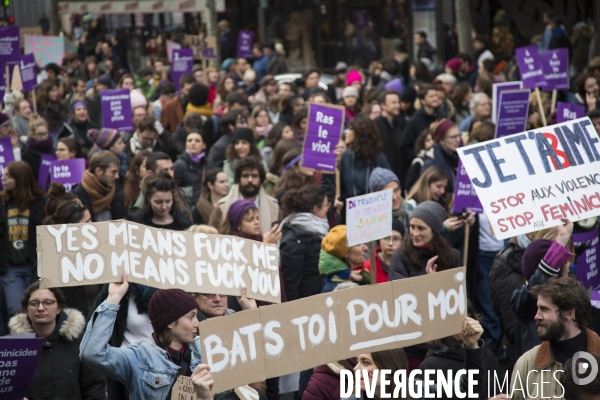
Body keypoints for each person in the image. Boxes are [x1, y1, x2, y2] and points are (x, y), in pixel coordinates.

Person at [81, 279, 204, 400]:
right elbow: (92, 354)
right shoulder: (138, 357)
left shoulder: (203, 347)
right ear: (170, 322)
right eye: (191, 317)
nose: (197, 323)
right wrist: (113, 299)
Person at [8, 283, 106, 399]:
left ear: (59, 308)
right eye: (34, 304)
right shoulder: (12, 347)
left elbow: (94, 387)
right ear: (27, 309)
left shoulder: (81, 343)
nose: (40, 308)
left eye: (48, 303)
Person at [349, 317, 486, 399]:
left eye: (366, 363)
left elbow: (467, 388)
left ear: (388, 367)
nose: (356, 368)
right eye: (357, 361)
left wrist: (471, 345)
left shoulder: (417, 390)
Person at [511, 276, 599, 400]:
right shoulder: (527, 363)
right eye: (538, 309)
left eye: (544, 309)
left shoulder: (598, 357)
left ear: (568, 313)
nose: (537, 316)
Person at [0, 161, 46, 315]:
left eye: (8, 176)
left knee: (39, 310)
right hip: (10, 268)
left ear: (20, 179)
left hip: (36, 266)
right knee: (15, 310)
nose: (3, 178)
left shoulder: (41, 203)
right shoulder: (3, 203)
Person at [279, 186, 330, 301]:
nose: (328, 208)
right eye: (326, 205)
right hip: (305, 309)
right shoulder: (293, 242)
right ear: (316, 208)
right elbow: (290, 286)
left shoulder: (317, 231)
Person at [389, 200, 461, 280]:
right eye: (412, 227)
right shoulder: (400, 257)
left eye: (421, 228)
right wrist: (427, 281)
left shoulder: (453, 257)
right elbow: (398, 290)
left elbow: (460, 289)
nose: (415, 234)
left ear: (434, 231)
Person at [209, 156, 280, 235]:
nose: (250, 180)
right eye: (245, 176)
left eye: (254, 176)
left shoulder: (273, 206)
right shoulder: (222, 206)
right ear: (238, 178)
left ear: (261, 179)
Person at [339, 114, 391, 207]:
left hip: (374, 213)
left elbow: (389, 187)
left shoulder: (379, 158)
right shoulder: (345, 157)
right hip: (349, 214)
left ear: (360, 132)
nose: (346, 132)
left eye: (350, 129)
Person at [399, 84, 441, 188]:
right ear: (422, 101)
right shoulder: (414, 121)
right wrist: (419, 158)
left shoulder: (439, 117)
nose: (435, 98)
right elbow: (404, 146)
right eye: (431, 96)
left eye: (436, 95)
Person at [126, 172, 192, 231]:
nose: (164, 207)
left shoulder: (185, 225)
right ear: (149, 198)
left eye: (168, 201)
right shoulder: (134, 222)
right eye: (158, 202)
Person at [73, 150, 125, 222]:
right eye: (113, 172)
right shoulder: (77, 196)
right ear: (98, 171)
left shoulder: (116, 193)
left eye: (117, 172)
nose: (117, 176)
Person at [420, 119, 461, 198]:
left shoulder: (459, 158)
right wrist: (450, 198)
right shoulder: (431, 162)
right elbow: (425, 194)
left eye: (459, 135)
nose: (458, 140)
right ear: (442, 140)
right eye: (453, 137)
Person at [319, 225, 367, 292]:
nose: (366, 248)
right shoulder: (342, 288)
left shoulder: (362, 274)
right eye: (358, 244)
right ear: (345, 253)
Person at [361, 219, 405, 284]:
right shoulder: (369, 265)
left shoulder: (407, 263)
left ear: (402, 241)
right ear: (379, 240)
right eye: (386, 238)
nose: (390, 243)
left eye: (396, 239)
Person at [374, 90, 406, 181]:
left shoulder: (401, 123)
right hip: (383, 176)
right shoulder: (376, 125)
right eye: (394, 103)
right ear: (383, 106)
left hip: (399, 175)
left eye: (398, 102)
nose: (398, 106)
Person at [174, 129, 208, 207]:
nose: (193, 143)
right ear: (186, 144)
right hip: (187, 207)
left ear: (204, 145)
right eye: (189, 140)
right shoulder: (179, 165)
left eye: (197, 141)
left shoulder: (208, 163)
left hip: (203, 206)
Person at [22, 116, 56, 181]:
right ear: (33, 134)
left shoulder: (53, 149)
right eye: (39, 134)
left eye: (45, 134)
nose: (43, 137)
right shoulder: (27, 153)